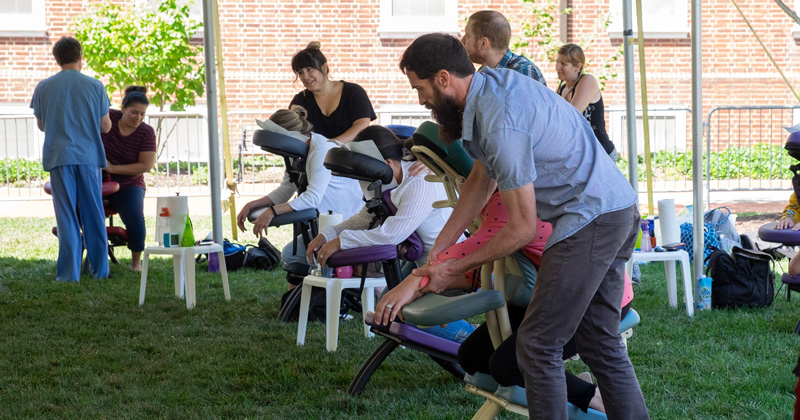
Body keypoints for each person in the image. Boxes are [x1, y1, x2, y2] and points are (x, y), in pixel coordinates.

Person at [399, 33, 648, 419]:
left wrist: (451, 267)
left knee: (536, 346)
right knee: (599, 342)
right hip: (616, 208)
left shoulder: (500, 120)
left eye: (421, 88)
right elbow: (482, 176)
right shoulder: (492, 88)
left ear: (444, 78)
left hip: (591, 218)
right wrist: (441, 249)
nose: (421, 100)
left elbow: (521, 229)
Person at [236, 105, 363, 288]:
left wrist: (272, 211)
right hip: (325, 223)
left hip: (346, 223)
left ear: (290, 137)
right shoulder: (295, 155)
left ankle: (337, 296)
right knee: (290, 254)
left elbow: (312, 198)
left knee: (297, 255)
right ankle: (300, 302)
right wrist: (251, 205)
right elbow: (285, 190)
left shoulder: (321, 149)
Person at [306, 125, 453, 273]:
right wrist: (328, 234)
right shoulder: (390, 185)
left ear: (388, 163)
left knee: (392, 297)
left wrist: (341, 242)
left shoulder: (419, 182)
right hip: (424, 262)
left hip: (445, 264)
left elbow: (391, 235)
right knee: (387, 296)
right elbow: (363, 219)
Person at [30, 36, 111, 282]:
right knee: (94, 213)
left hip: (59, 156)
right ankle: (100, 271)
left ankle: (68, 274)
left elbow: (42, 125)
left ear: (56, 59)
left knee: (66, 215)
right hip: (88, 157)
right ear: (80, 56)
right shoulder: (95, 86)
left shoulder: (43, 87)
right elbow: (105, 126)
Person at [101, 86, 157, 272]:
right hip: (100, 181)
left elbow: (145, 166)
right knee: (81, 211)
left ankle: (136, 262)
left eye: (142, 114)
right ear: (122, 108)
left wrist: (113, 168)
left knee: (135, 218)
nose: (138, 118)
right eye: (134, 112)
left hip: (129, 183)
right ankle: (89, 253)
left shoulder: (146, 132)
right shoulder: (107, 117)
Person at [289, 42, 376, 144]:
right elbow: (290, 129)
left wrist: (329, 145)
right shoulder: (300, 100)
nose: (305, 76)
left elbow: (362, 125)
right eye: (300, 72)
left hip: (351, 157)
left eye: (309, 69)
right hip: (314, 158)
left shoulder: (354, 93)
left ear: (324, 68)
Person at [555, 43, 617, 159]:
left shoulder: (587, 81)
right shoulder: (562, 88)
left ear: (578, 66)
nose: (558, 67)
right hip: (582, 153)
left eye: (563, 64)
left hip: (600, 152)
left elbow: (570, 116)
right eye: (557, 62)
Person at [461, 10, 546, 85]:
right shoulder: (484, 72)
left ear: (483, 43)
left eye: (468, 36)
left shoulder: (523, 72)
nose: (462, 41)